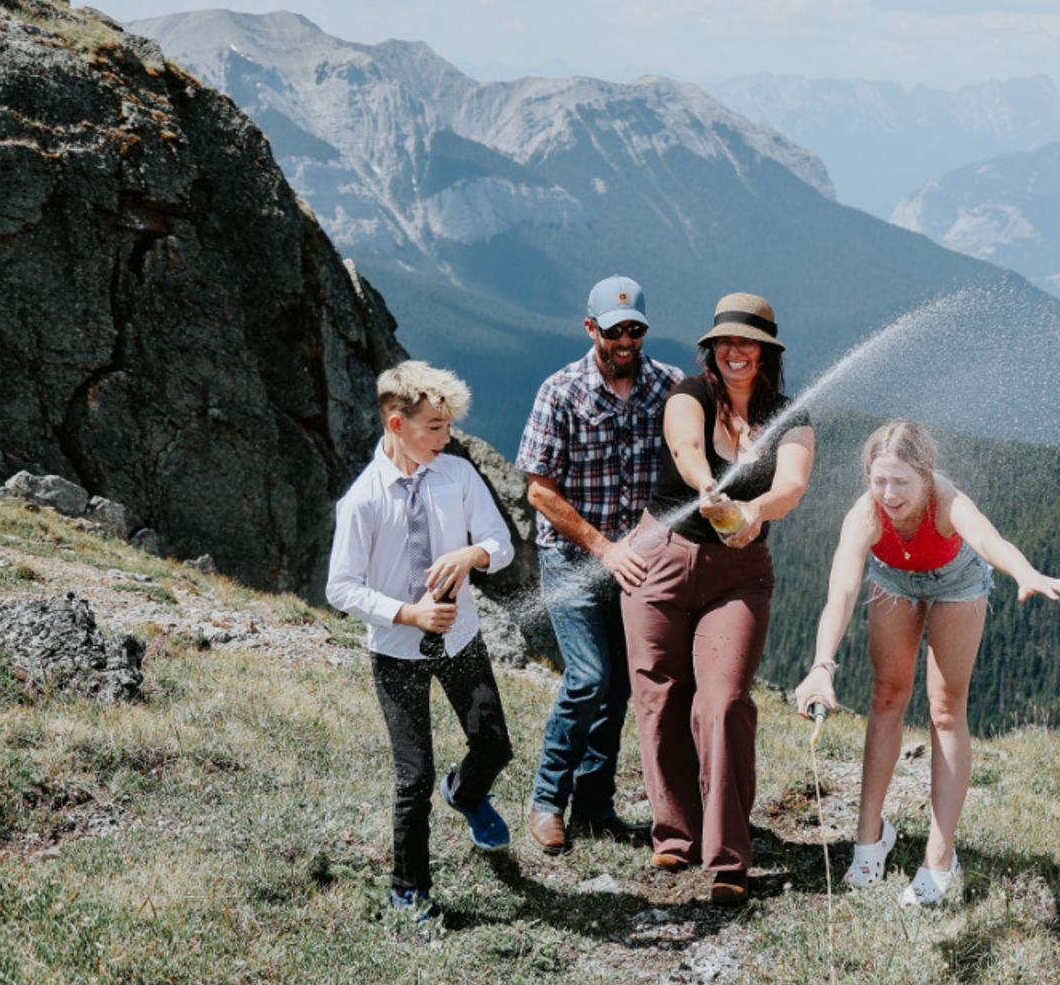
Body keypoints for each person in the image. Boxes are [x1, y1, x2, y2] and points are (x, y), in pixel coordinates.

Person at [792, 420, 1060, 906]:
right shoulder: (865, 514)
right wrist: (823, 664)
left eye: (901, 481)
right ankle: (870, 841)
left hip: (957, 582)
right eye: (878, 480)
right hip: (893, 580)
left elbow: (988, 541)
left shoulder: (947, 502)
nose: (888, 493)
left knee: (945, 710)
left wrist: (1024, 571)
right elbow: (840, 590)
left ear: (925, 476)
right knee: (886, 695)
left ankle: (940, 857)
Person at [621, 293, 815, 904]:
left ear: (767, 353)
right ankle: (675, 836)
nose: (736, 352)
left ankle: (729, 854)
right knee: (660, 694)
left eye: (749, 343)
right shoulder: (690, 394)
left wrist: (751, 510)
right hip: (661, 557)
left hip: (738, 572)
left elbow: (791, 485)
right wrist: (707, 486)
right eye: (726, 342)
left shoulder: (791, 415)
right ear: (712, 348)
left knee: (724, 701)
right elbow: (685, 448)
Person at [326, 361, 517, 921]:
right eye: (434, 426)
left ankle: (466, 793)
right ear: (396, 424)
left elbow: (499, 541)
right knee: (414, 776)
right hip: (396, 653)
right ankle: (409, 892)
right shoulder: (363, 501)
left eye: (448, 425)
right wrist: (406, 613)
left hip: (461, 640)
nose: (446, 436)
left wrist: (472, 554)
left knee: (496, 745)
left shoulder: (456, 476)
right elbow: (341, 587)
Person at [515, 276, 682, 854]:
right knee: (587, 678)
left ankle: (592, 808)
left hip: (637, 564)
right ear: (591, 329)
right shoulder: (560, 392)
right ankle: (545, 802)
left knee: (616, 690)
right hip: (571, 559)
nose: (627, 341)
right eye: (615, 332)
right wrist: (604, 548)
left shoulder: (670, 388)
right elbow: (539, 491)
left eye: (636, 329)